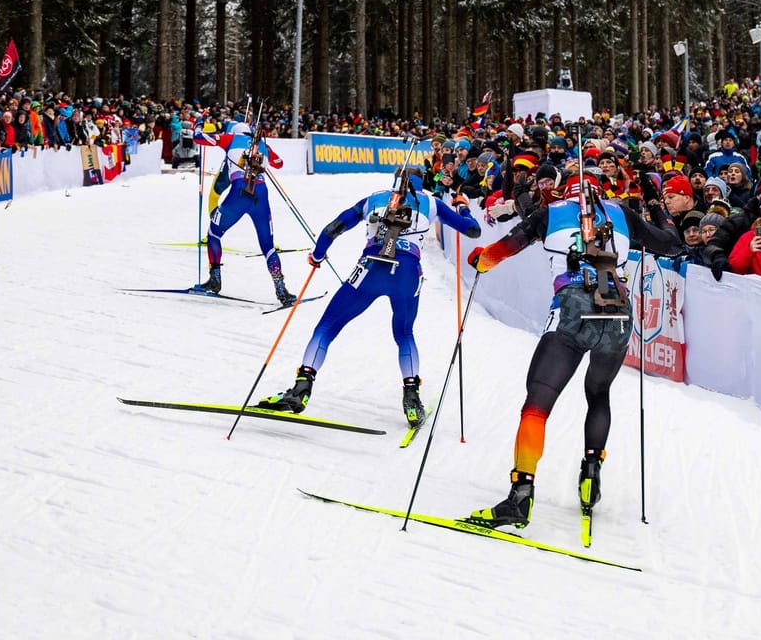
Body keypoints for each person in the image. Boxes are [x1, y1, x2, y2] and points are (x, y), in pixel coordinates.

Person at [463, 177, 637, 530]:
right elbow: (672, 242)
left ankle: (520, 495)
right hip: (618, 313)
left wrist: (479, 259)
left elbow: (501, 250)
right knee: (599, 394)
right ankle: (591, 474)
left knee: (538, 404)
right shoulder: (623, 214)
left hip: (572, 310)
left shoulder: (550, 212)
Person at [259, 169, 481, 428]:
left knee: (327, 326)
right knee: (404, 334)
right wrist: (463, 207)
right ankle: (411, 398)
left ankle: (302, 387)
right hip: (407, 273)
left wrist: (318, 255)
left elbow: (334, 228)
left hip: (371, 267)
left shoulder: (374, 199)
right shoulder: (432, 203)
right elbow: (473, 230)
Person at [204, 138, 295, 307]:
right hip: (260, 194)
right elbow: (279, 163)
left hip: (238, 193)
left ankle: (214, 279)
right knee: (268, 247)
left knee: (213, 233)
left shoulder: (230, 138)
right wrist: (266, 151)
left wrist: (200, 122)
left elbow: (200, 138)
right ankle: (281, 289)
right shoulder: (263, 145)